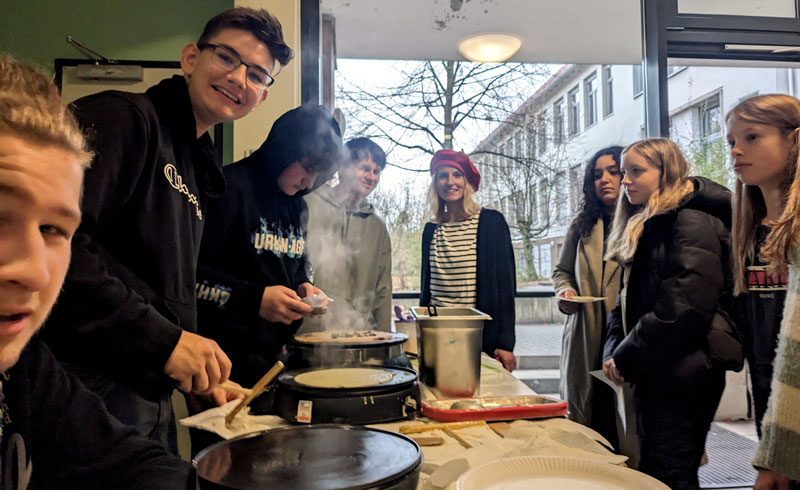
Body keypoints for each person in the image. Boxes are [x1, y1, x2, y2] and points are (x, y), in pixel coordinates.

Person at [41, 7, 294, 452]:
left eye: (257, 75)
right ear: (191, 58)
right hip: (83, 393)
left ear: (262, 97)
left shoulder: (195, 170)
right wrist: (166, 343)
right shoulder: (126, 118)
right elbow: (54, 249)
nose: (239, 79)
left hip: (146, 392)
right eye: (227, 58)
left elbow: (154, 286)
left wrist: (193, 376)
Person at [0, 53, 194, 490]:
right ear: (192, 58)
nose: (35, 272)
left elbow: (124, 462)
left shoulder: (25, 372)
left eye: (53, 229)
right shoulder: (132, 119)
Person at [602, 138, 735, 490]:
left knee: (671, 471)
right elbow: (626, 300)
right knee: (660, 467)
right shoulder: (651, 220)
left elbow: (684, 307)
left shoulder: (690, 220)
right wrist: (614, 350)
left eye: (636, 171)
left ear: (667, 171)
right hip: (660, 364)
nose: (624, 180)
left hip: (686, 368)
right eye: (623, 171)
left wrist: (626, 354)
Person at [196, 104, 343, 388]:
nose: (309, 182)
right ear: (284, 149)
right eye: (308, 168)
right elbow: (190, 279)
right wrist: (255, 301)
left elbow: (295, 265)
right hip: (222, 366)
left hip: (276, 363)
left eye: (318, 175)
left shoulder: (297, 205)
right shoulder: (226, 189)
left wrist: (304, 287)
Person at [725, 94, 800, 490]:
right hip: (768, 394)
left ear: (794, 140)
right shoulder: (747, 230)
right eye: (731, 141)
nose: (737, 150)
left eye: (752, 136)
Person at [420, 149, 517, 371]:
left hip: (479, 337)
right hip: (437, 335)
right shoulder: (431, 230)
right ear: (436, 183)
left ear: (467, 181)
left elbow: (506, 287)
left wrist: (505, 343)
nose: (450, 182)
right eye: (443, 176)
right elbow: (427, 289)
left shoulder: (491, 223)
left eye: (457, 175)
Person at [552, 146, 623, 447]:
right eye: (597, 175)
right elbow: (562, 272)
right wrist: (565, 292)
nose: (604, 179)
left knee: (624, 427)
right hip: (586, 335)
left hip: (625, 337)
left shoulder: (644, 223)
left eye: (613, 172)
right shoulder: (581, 226)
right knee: (590, 424)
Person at [303, 137, 392, 332]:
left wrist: (387, 347)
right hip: (308, 334)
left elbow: (383, 292)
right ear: (342, 168)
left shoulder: (377, 227)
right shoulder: (308, 205)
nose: (372, 177)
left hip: (359, 335)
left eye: (377, 171)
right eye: (364, 168)